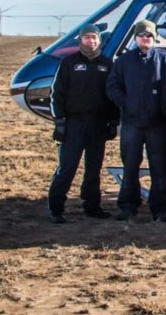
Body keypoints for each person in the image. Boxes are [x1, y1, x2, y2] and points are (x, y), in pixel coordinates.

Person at [48, 25, 118, 223]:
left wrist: (113, 121)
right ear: (80, 40)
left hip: (98, 123)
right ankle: (56, 208)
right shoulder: (68, 63)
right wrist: (59, 122)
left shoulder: (107, 64)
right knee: (67, 167)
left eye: (94, 38)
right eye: (87, 38)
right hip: (74, 123)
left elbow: (111, 95)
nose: (91, 41)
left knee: (93, 168)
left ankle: (92, 206)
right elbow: (57, 93)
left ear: (99, 40)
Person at [106, 19, 166, 222]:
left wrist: (164, 109)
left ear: (155, 37)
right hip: (132, 123)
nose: (146, 39)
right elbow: (112, 85)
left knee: (159, 167)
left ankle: (160, 208)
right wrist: (126, 103)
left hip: (157, 124)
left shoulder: (165, 59)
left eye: (149, 35)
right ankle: (128, 205)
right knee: (130, 165)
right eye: (142, 35)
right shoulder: (123, 62)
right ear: (135, 38)